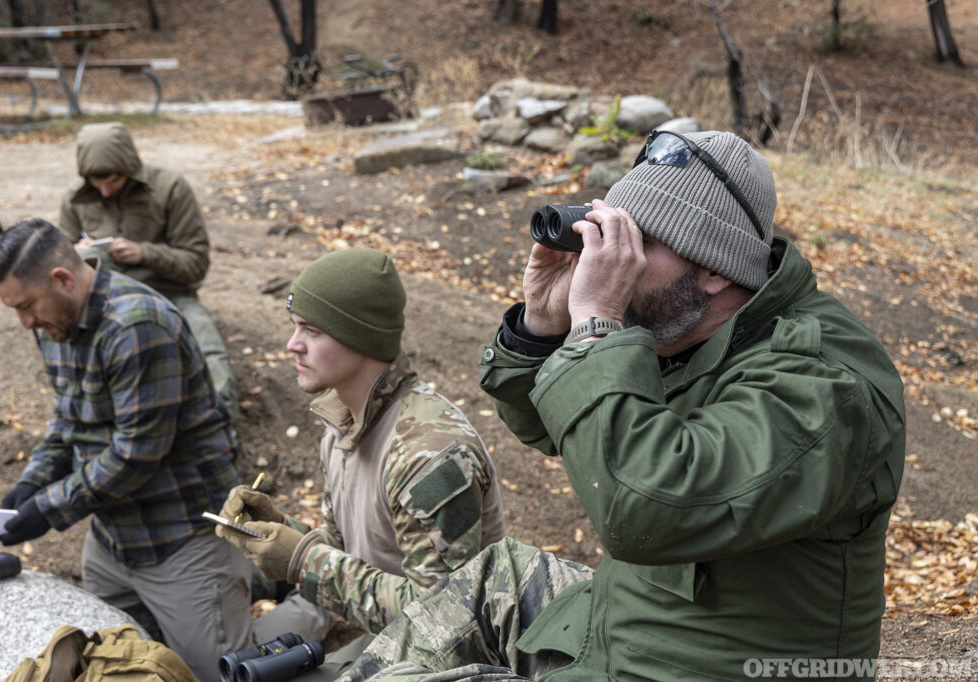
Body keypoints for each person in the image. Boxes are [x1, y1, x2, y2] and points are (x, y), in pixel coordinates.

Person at [336, 130, 907, 681]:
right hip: (634, 630)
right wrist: (542, 324)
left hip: (704, 664)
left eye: (640, 243)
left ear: (712, 269)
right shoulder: (699, 330)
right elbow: (554, 428)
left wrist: (597, 329)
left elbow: (643, 509)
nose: (611, 260)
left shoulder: (822, 383)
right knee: (491, 574)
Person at [0, 219, 252, 682]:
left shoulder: (136, 325)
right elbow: (69, 416)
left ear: (62, 279)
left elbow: (135, 455)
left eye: (26, 306)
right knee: (116, 663)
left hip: (182, 536)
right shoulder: (57, 323)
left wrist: (46, 508)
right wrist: (33, 479)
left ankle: (306, 606)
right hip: (113, 539)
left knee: (223, 674)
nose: (24, 322)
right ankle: (236, 590)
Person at [214, 248, 506, 670]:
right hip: (393, 638)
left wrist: (302, 561)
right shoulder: (343, 425)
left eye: (311, 331)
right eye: (295, 327)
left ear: (360, 337)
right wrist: (282, 531)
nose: (291, 345)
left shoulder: (429, 454)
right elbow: (349, 550)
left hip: (460, 659)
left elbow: (447, 619)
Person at [57, 121, 239, 424]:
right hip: (104, 302)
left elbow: (196, 264)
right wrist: (79, 256)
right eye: (95, 182)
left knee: (211, 357)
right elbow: (60, 272)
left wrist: (145, 252)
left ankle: (221, 433)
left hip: (170, 296)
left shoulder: (170, 188)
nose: (104, 189)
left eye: (112, 180)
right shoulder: (75, 199)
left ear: (129, 166)